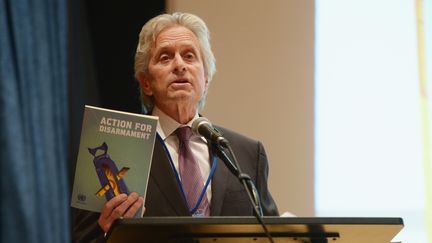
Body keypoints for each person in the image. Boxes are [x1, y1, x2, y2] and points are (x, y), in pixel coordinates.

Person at [72, 12, 279, 243]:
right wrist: (107, 233)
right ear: (146, 83)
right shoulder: (117, 149)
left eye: (189, 56)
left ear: (206, 78)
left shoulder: (246, 153)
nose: (179, 65)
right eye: (165, 57)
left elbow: (271, 235)